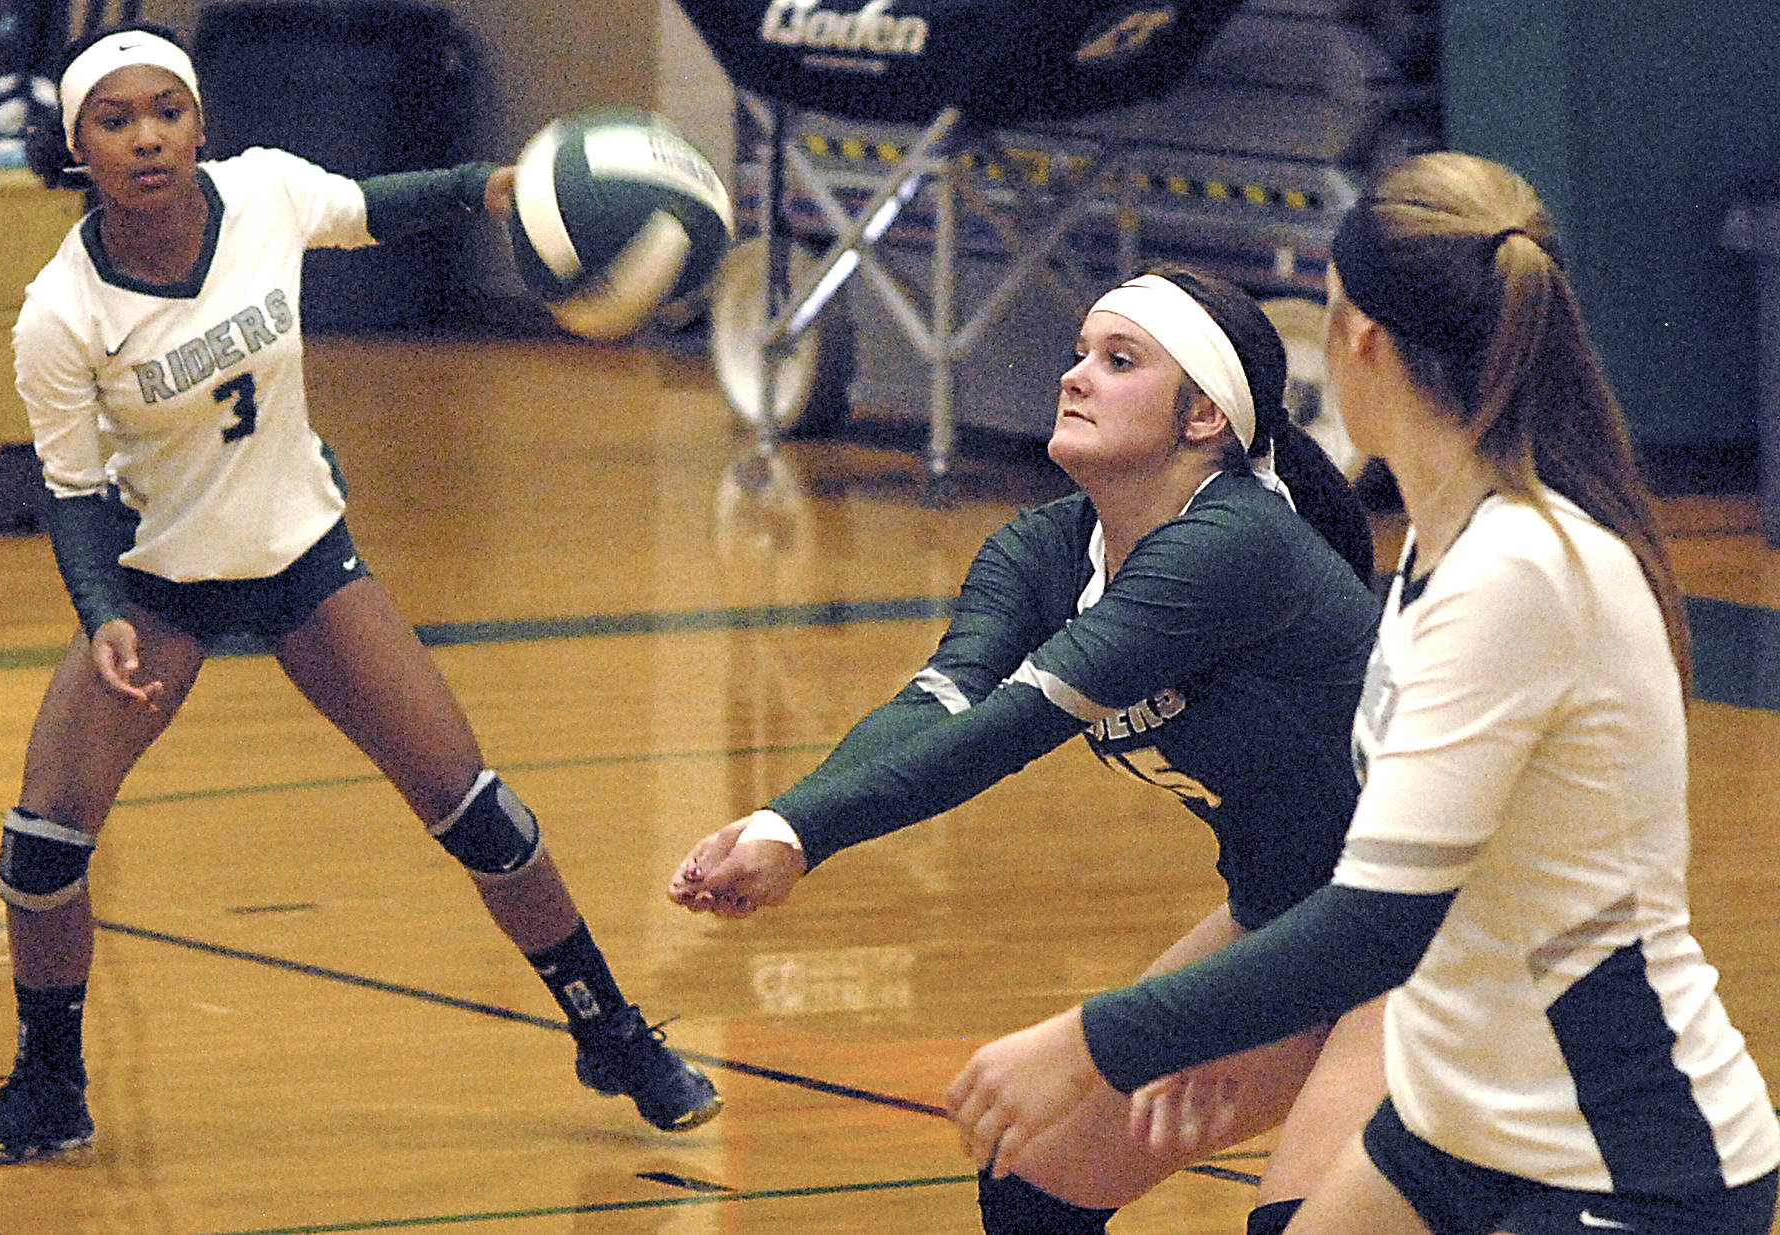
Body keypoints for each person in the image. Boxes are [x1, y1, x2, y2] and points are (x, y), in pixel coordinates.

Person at [948, 151, 1780, 1235]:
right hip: (1453, 1126)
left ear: (1363, 341)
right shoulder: (1441, 546)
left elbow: (1370, 929)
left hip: (1621, 1157)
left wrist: (1091, 1039)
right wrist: (1245, 1020)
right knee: (1053, 1181)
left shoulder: (1519, 571)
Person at [0, 24, 723, 1165]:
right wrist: (100, 611)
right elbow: (72, 491)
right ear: (76, 145)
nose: (147, 138)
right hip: (159, 581)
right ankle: (48, 1084)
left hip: (300, 558)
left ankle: (611, 1034)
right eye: (115, 120)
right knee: (40, 844)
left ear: (199, 122)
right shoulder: (60, 312)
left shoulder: (267, 194)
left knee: (480, 812)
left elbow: (374, 204)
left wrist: (501, 185)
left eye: (166, 111)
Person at [671, 262, 1385, 1234]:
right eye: (1078, 352)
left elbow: (1009, 724)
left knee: (1307, 1220)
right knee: (1039, 1173)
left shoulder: (1237, 546)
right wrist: (783, 823)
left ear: (1205, 417)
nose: (1075, 375)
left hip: (1434, 928)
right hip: (1290, 913)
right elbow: (941, 702)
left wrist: (811, 837)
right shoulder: (1043, 551)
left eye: (1118, 359)